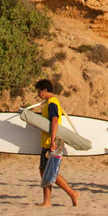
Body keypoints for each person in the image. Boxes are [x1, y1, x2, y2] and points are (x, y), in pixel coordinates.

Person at [33, 78, 79, 208]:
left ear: (45, 90)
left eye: (39, 91)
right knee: (43, 171)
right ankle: (47, 201)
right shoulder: (49, 103)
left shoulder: (52, 103)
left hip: (51, 143)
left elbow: (54, 121)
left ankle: (73, 193)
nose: (38, 95)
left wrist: (53, 140)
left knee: (51, 173)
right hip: (47, 142)